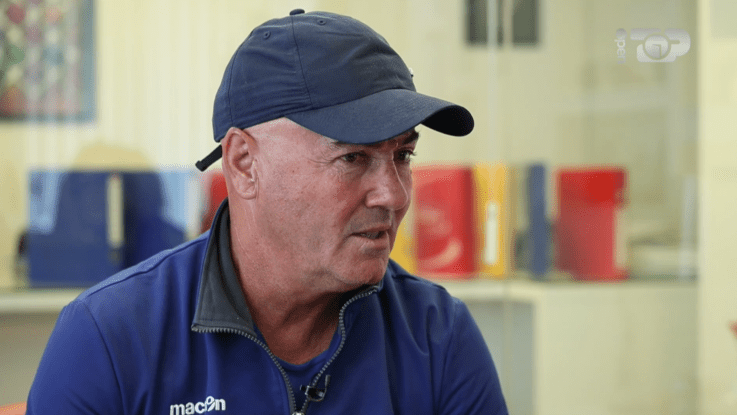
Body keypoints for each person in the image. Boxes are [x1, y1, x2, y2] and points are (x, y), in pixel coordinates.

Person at [27, 9, 509, 415]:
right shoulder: (109, 340)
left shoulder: (436, 337)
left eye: (403, 155)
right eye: (352, 158)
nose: (393, 195)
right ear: (243, 163)